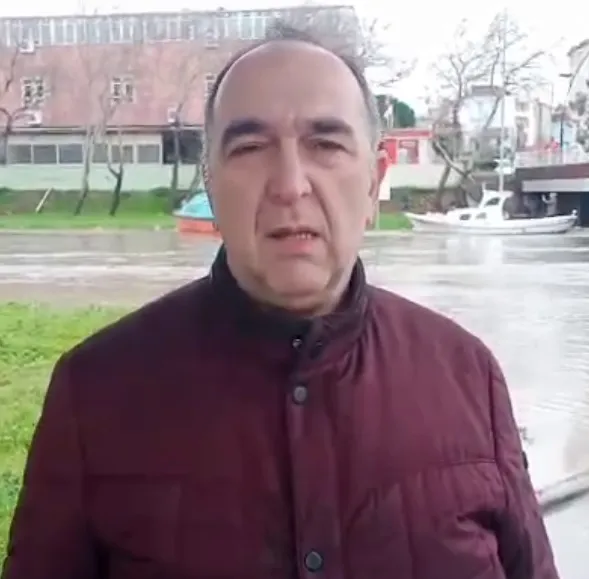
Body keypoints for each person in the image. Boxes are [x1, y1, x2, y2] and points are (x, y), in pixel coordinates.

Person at [1, 27, 559, 579]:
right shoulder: (95, 392)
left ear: (374, 181)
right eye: (250, 148)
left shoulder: (468, 378)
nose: (290, 184)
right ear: (210, 185)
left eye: (326, 145)